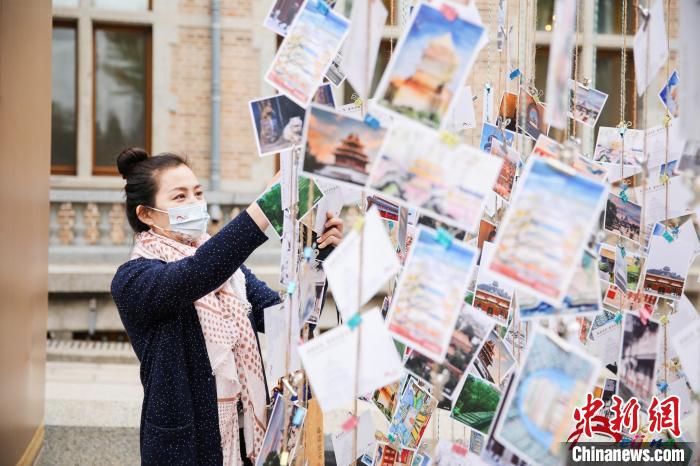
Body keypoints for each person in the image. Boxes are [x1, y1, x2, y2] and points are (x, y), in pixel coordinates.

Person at [110, 148, 343, 465]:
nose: (194, 203)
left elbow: (287, 321)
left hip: (248, 442)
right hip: (186, 451)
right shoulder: (134, 279)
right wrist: (267, 207)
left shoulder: (231, 274)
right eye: (179, 197)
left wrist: (319, 257)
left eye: (197, 193)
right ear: (146, 214)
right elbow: (196, 274)